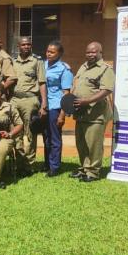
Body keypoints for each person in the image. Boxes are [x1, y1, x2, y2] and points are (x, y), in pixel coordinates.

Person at [72, 42, 115, 182]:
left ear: (100, 53)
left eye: (93, 52)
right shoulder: (83, 67)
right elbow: (77, 85)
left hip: (95, 114)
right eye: (88, 52)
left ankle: (93, 172)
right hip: (81, 112)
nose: (90, 54)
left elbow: (106, 90)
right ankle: (84, 168)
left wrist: (87, 101)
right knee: (81, 142)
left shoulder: (105, 69)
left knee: (94, 144)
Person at [11, 37, 47, 176]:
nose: (26, 46)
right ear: (18, 46)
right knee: (15, 131)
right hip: (14, 99)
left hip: (30, 99)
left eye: (28, 44)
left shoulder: (37, 61)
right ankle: (19, 163)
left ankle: (29, 165)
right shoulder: (13, 62)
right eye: (23, 44)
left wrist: (44, 103)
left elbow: (42, 82)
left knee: (30, 132)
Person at [43, 40, 73, 177]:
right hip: (44, 106)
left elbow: (66, 94)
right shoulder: (43, 65)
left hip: (55, 106)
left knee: (54, 138)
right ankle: (47, 163)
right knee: (46, 137)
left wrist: (62, 114)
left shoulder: (64, 69)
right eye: (48, 51)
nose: (48, 54)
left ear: (59, 53)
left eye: (52, 52)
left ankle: (54, 167)